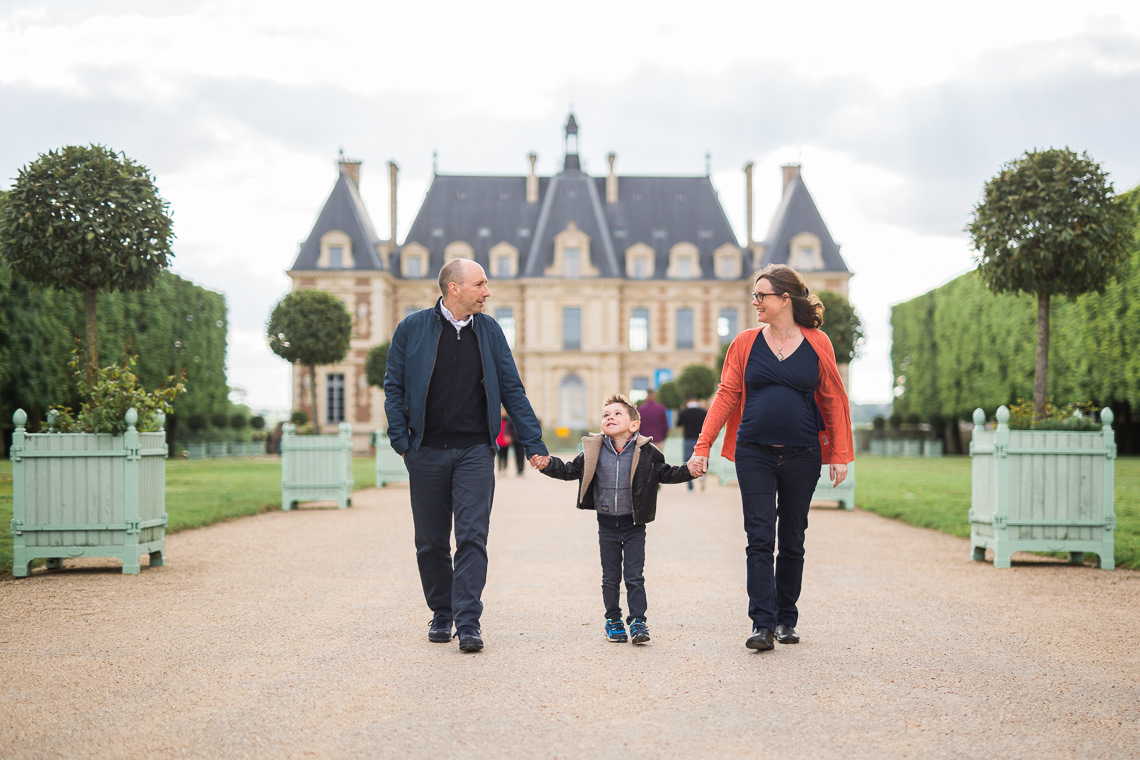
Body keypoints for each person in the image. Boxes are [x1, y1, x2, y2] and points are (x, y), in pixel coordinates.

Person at [384, 259, 550, 653]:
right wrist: (402, 442)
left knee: (473, 536)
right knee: (431, 541)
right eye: (480, 284)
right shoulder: (412, 328)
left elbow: (513, 389)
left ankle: (468, 621)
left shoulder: (490, 331)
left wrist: (533, 442)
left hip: (476, 450)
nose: (487, 292)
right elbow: (393, 386)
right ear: (454, 288)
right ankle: (442, 613)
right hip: (424, 451)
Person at [687, 264, 852, 652]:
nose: (755, 301)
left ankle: (785, 618)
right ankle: (761, 623)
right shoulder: (745, 342)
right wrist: (702, 445)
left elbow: (831, 397)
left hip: (803, 454)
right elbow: (726, 395)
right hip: (753, 453)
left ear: (785, 299)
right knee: (759, 538)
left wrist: (840, 454)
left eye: (762, 295)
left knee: (793, 538)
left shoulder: (818, 342)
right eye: (755, 295)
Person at [537, 394, 694, 644]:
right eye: (606, 415)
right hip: (607, 524)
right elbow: (569, 471)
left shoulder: (648, 452)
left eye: (617, 413)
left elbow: (667, 473)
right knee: (610, 577)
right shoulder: (593, 451)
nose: (610, 417)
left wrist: (691, 470)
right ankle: (613, 620)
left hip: (634, 525)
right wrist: (547, 464)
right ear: (602, 425)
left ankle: (639, 621)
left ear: (634, 425)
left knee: (634, 575)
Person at [676, 396, 708, 491]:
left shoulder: (684, 412)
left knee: (687, 462)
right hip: (700, 439)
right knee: (702, 460)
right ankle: (703, 475)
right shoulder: (703, 412)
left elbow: (678, 424)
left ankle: (690, 486)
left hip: (688, 439)